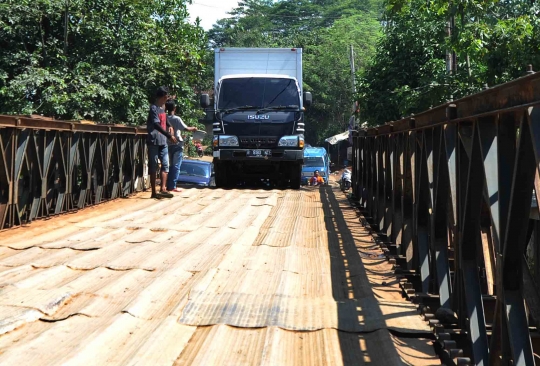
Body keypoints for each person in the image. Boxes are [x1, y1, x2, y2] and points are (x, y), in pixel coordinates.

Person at [147, 86, 177, 199]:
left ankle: (163, 189)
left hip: (163, 141)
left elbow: (165, 119)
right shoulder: (153, 108)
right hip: (154, 140)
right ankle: (154, 192)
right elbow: (156, 124)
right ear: (163, 96)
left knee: (165, 164)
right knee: (154, 165)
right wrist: (169, 135)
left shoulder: (162, 107)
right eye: (166, 96)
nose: (167, 98)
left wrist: (170, 126)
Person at [165, 99, 198, 192]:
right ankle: (172, 186)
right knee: (176, 166)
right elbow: (186, 128)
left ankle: (168, 185)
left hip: (167, 144)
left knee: (170, 166)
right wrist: (194, 128)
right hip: (177, 144)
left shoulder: (164, 118)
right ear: (174, 108)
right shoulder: (176, 119)